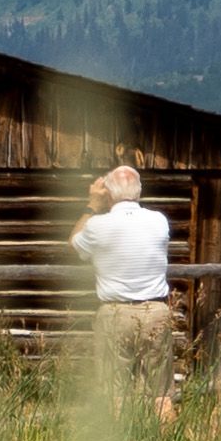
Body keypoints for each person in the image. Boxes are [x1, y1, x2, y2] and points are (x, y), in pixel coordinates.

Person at [71, 159, 179, 421]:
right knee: (161, 392)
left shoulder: (97, 226)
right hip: (155, 310)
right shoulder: (158, 221)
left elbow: (74, 243)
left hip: (115, 312)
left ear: (108, 193)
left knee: (114, 390)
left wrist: (91, 206)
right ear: (139, 192)